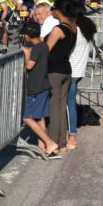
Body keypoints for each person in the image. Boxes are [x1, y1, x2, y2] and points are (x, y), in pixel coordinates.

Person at [20, 21, 58, 155]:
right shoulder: (44, 45)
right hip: (43, 85)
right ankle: (42, 146)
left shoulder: (36, 48)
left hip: (35, 87)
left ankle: (50, 143)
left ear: (27, 36)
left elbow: (29, 66)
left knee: (27, 118)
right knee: (39, 117)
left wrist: (26, 54)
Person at [44, 0, 77, 153]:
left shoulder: (58, 29)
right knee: (61, 107)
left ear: (59, 11)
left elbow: (46, 50)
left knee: (54, 108)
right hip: (66, 69)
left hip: (55, 71)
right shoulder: (73, 27)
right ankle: (62, 143)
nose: (52, 11)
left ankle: (53, 143)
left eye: (53, 9)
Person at [66, 7, 96, 150]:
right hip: (79, 71)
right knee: (70, 103)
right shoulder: (86, 29)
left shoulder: (75, 31)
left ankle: (72, 137)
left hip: (72, 71)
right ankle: (70, 135)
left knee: (69, 104)